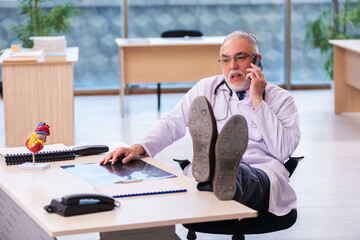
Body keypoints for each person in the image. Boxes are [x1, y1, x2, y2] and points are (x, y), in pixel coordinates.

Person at [101, 31, 300, 220]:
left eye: (240, 58)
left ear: (257, 60)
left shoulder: (282, 99)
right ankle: (213, 167)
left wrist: (257, 100)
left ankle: (220, 169)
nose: (232, 66)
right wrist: (138, 147)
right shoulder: (207, 88)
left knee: (240, 176)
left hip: (261, 172)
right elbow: (172, 123)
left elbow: (282, 150)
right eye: (226, 59)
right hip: (208, 172)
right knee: (209, 177)